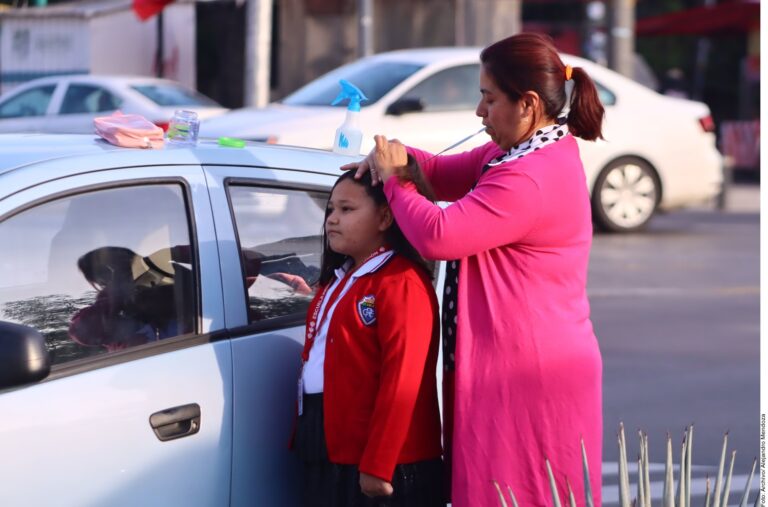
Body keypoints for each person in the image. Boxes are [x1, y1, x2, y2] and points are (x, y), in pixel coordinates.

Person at [344, 33, 604, 506]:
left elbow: (439, 236)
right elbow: (443, 174)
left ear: (526, 104)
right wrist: (401, 160)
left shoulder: (531, 177)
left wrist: (398, 183)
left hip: (529, 373)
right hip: (511, 363)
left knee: (510, 494)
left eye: (488, 99)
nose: (479, 112)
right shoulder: (517, 152)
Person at [294, 169, 444, 507]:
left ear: (385, 217)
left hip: (382, 459)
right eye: (330, 210)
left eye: (347, 210)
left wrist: (380, 462)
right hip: (330, 442)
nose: (332, 219)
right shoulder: (342, 276)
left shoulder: (400, 281)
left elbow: (403, 378)